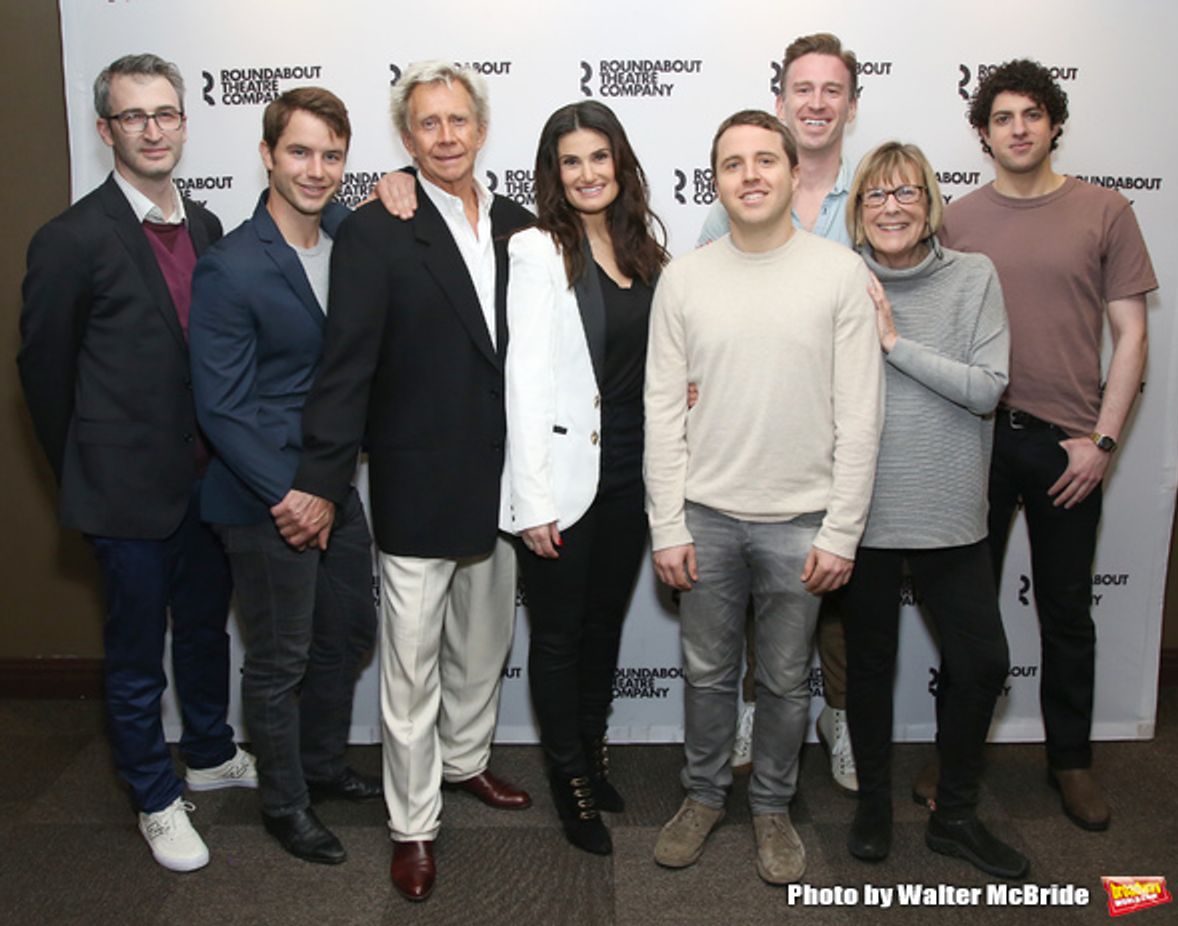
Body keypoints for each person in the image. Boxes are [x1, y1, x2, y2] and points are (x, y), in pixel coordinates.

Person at [274, 61, 533, 902]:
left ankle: (465, 764)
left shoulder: (521, 227)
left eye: (460, 120)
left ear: (482, 129)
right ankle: (412, 824)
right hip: (419, 480)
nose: (447, 136)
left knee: (484, 648)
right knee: (411, 668)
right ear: (407, 136)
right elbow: (345, 367)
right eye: (429, 124)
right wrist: (319, 475)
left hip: (507, 486)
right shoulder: (375, 230)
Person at [18, 53, 255, 873]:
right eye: (133, 117)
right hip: (123, 495)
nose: (153, 130)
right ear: (104, 129)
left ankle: (213, 752)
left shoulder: (209, 228)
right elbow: (44, 378)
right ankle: (156, 797)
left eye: (166, 113)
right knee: (131, 657)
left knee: (202, 632)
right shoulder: (71, 239)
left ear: (185, 122)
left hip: (207, 483)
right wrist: (84, 476)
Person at [645, 110, 883, 885]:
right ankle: (705, 796)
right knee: (708, 675)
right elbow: (659, 410)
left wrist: (842, 532)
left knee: (784, 682)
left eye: (764, 161)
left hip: (803, 522)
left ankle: (774, 807)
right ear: (716, 181)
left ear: (791, 174)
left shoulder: (839, 274)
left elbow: (860, 414)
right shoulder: (684, 278)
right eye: (732, 164)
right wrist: (666, 523)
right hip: (705, 519)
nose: (749, 175)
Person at [934, 59, 1157, 832]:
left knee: (1067, 613)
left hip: (1071, 448)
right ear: (983, 132)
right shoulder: (955, 219)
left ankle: (1071, 762)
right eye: (1002, 117)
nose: (1019, 128)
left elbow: (1131, 336)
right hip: (978, 441)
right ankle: (954, 760)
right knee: (966, 613)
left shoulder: (1105, 211)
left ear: (1054, 122)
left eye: (1032, 113)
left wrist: (1103, 441)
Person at [189, 88, 381, 867]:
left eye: (332, 155)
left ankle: (324, 765)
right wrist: (290, 493)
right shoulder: (230, 266)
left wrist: (323, 487)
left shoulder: (347, 234)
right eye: (299, 152)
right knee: (280, 659)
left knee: (350, 634)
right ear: (267, 155)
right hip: (262, 496)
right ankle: (284, 802)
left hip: (331, 483)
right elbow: (222, 406)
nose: (316, 169)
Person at [840, 141, 1027, 879]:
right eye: (876, 196)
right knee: (871, 670)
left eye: (906, 193)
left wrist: (893, 343)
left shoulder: (973, 276)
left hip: (951, 510)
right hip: (864, 513)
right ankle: (873, 809)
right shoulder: (838, 279)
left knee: (983, 662)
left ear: (930, 204)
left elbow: (987, 387)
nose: (891, 207)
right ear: (858, 209)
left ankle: (955, 815)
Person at [696, 33, 859, 788]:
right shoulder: (723, 218)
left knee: (837, 616)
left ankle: (840, 723)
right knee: (749, 629)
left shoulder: (879, 190)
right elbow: (697, 335)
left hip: (832, 460)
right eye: (803, 89)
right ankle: (759, 718)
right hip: (746, 464)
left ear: (850, 104)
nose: (816, 103)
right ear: (782, 100)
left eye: (831, 90)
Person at [505, 101, 668, 855]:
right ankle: (570, 779)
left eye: (599, 158)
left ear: (621, 163)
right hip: (566, 482)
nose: (587, 174)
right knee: (561, 636)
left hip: (637, 472)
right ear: (554, 173)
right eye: (571, 161)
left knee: (605, 626)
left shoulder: (645, 249)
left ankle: (593, 750)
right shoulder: (539, 248)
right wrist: (532, 499)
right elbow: (526, 381)